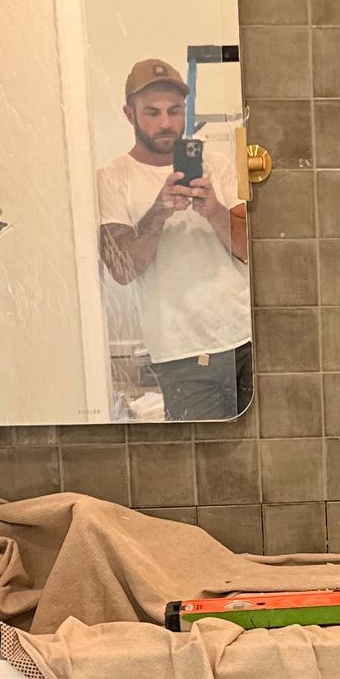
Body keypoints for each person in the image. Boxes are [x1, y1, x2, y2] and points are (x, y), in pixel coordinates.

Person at [95, 56, 251, 421]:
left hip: (245, 336)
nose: (165, 122)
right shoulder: (113, 178)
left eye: (174, 110)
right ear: (129, 114)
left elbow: (248, 249)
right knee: (200, 459)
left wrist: (213, 209)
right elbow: (122, 269)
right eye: (152, 112)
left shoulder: (218, 165)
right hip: (180, 352)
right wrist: (158, 213)